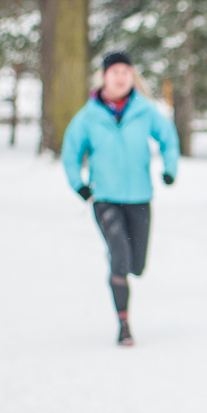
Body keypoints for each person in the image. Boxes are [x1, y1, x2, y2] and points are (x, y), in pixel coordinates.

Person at [62, 51, 180, 346]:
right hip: (105, 198)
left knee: (136, 265)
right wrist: (80, 185)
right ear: (104, 76)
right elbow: (70, 152)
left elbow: (168, 137)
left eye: (125, 72)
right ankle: (124, 323)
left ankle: (122, 263)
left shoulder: (145, 110)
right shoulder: (88, 116)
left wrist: (170, 169)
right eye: (114, 72)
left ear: (132, 76)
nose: (120, 77)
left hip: (139, 196)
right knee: (120, 255)